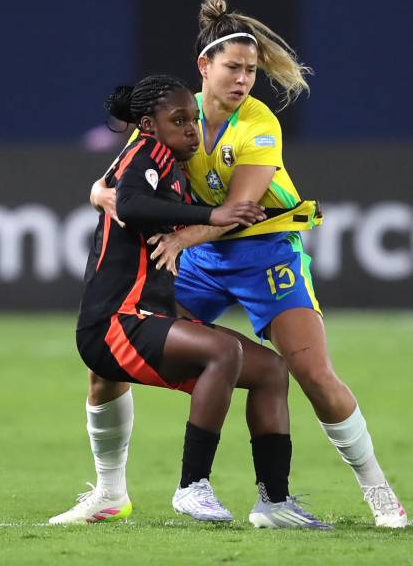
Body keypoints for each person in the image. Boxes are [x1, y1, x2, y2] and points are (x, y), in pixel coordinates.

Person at [92, 0, 407, 528]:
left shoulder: (259, 123)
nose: (243, 80)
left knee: (312, 373)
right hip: (200, 258)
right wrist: (104, 196)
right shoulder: (177, 112)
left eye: (252, 70)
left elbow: (237, 210)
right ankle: (108, 492)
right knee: (107, 361)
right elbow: (109, 182)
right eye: (233, 67)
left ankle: (377, 490)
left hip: (265, 253)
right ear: (204, 66)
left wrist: (181, 239)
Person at [50, 75, 328, 528]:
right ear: (148, 125)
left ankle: (274, 503)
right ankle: (191, 486)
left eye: (193, 120)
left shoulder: (172, 166)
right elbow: (130, 204)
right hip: (115, 322)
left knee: (271, 370)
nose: (191, 131)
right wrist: (211, 214)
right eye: (178, 121)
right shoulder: (145, 154)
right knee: (225, 351)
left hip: (148, 316)